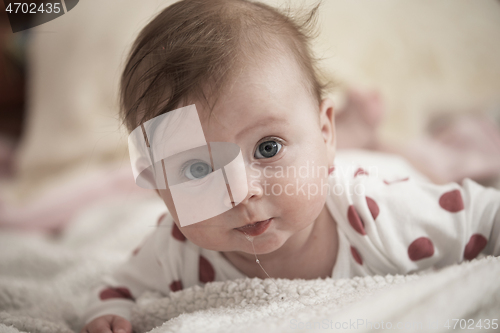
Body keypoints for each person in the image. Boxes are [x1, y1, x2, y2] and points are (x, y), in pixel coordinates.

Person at [80, 1, 500, 332]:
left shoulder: (381, 212)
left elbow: (486, 216)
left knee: (425, 161)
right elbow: (117, 289)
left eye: (267, 147)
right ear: (160, 191)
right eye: (196, 170)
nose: (241, 192)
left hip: (377, 166)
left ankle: (362, 137)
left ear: (323, 132)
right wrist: (109, 313)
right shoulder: (175, 251)